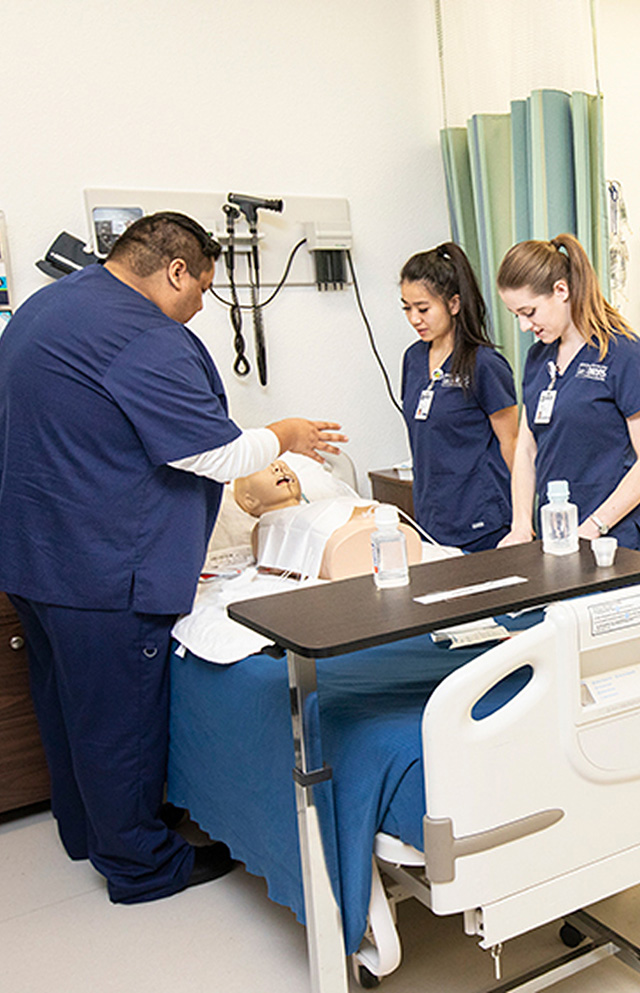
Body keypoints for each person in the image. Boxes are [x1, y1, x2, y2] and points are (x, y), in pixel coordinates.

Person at [0, 211, 346, 904]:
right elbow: (213, 453)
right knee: (117, 722)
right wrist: (284, 433)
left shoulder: (49, 307)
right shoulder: (140, 334)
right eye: (203, 290)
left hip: (35, 558)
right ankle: (141, 864)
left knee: (68, 706)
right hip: (103, 569)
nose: (200, 308)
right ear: (176, 270)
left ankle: (86, 831)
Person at [496, 233, 640, 549]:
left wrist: (594, 526)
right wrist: (521, 526)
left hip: (613, 540)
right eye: (516, 315)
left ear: (561, 290)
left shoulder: (623, 354)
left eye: (529, 312)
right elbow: (527, 449)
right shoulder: (538, 358)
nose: (524, 326)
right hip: (557, 535)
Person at [400, 243, 518, 551]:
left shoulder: (485, 364)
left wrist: (522, 519)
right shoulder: (413, 359)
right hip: (432, 518)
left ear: (453, 304)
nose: (414, 319)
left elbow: (512, 443)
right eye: (407, 308)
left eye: (423, 308)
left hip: (482, 520)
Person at [233, 459, 423, 579]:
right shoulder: (266, 527)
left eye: (284, 466)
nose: (279, 468)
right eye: (265, 468)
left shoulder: (326, 506)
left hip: (362, 530)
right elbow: (273, 560)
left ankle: (374, 535)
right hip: (340, 548)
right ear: (249, 500)